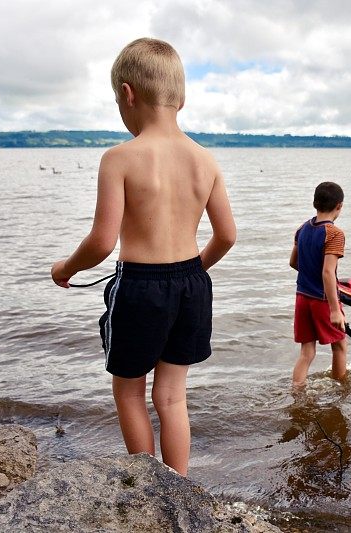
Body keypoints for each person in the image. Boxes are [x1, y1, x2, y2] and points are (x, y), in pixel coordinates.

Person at [51, 38, 236, 476]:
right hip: (192, 284)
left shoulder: (119, 158)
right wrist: (192, 271)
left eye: (119, 100)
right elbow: (227, 236)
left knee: (130, 392)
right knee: (172, 397)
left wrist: (65, 268)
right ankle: (181, 486)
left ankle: (148, 485)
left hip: (139, 287)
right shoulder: (205, 160)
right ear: (182, 98)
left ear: (128, 94)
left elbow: (101, 243)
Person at [289, 182, 347, 388]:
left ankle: (297, 393)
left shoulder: (302, 229)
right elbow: (327, 272)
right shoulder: (334, 234)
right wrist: (335, 310)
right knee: (339, 344)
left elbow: (293, 263)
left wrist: (312, 275)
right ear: (339, 206)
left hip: (302, 297)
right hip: (321, 300)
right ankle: (341, 391)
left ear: (315, 202)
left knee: (307, 352)